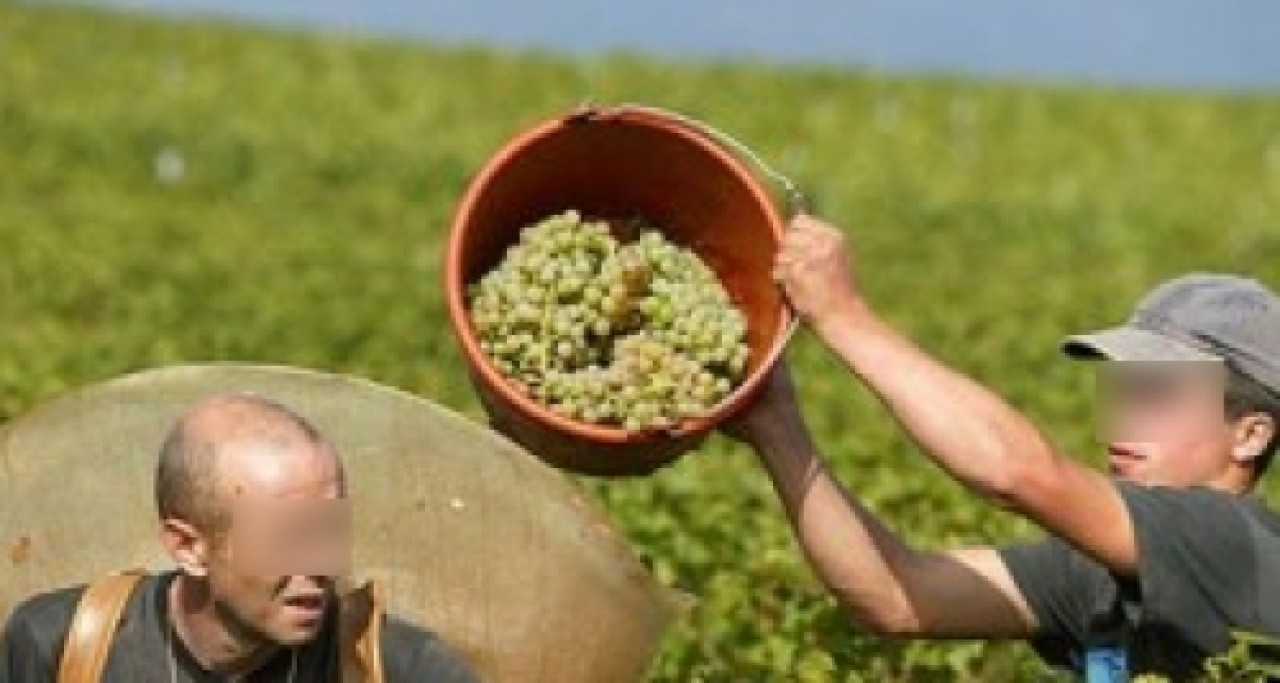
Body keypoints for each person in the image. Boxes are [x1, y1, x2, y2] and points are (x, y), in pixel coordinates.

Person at [724, 214, 1280, 680]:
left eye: (1157, 397)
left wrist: (844, 317)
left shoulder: (1234, 543)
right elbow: (896, 596)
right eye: (1122, 394)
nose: (1119, 427)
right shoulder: (1097, 574)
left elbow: (1017, 472)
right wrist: (778, 427)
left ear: (1251, 434)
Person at [0, 393, 476, 682]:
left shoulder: (395, 667)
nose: (323, 564)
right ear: (188, 547)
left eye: (330, 529)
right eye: (288, 537)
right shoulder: (64, 647)